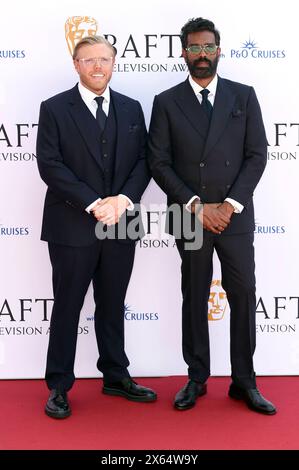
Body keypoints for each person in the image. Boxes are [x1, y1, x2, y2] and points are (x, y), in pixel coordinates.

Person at [148, 18, 276, 414]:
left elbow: (257, 155)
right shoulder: (166, 101)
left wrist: (229, 205)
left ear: (218, 50)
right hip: (191, 216)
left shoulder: (244, 96)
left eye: (208, 48)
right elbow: (159, 161)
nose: (201, 55)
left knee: (242, 294)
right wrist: (196, 206)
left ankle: (244, 382)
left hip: (234, 215)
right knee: (194, 296)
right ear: (183, 53)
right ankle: (197, 377)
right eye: (194, 48)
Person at [36, 35, 156, 419]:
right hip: (72, 223)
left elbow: (144, 161)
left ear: (114, 62)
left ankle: (115, 375)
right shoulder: (54, 108)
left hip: (123, 219)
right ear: (76, 64)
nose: (98, 66)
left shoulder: (132, 107)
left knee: (112, 303)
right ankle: (58, 385)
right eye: (89, 60)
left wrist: (123, 200)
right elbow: (50, 165)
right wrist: (93, 203)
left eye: (104, 59)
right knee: (68, 305)